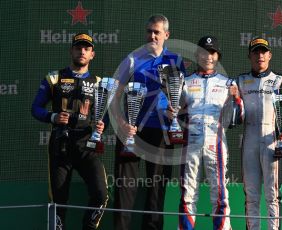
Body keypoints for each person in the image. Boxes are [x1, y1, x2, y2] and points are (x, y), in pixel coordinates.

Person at [110, 14, 186, 230]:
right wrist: (122, 122)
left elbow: (183, 97)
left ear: (166, 35)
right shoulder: (132, 59)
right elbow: (114, 95)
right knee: (125, 188)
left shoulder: (176, 61)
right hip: (131, 131)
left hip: (162, 132)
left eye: (157, 32)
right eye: (149, 31)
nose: (152, 36)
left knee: (156, 191)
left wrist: (176, 112)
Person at [31, 33, 108, 230]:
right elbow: (36, 108)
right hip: (60, 145)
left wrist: (102, 125)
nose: (82, 51)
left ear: (93, 54)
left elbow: (104, 115)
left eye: (86, 48)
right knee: (58, 201)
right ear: (71, 51)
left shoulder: (99, 82)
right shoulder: (54, 78)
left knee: (101, 193)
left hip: (87, 145)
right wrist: (53, 117)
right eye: (78, 47)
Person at [235, 37, 282, 230]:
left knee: (272, 194)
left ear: (270, 55)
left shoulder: (281, 81)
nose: (260, 56)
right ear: (249, 55)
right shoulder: (240, 81)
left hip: (271, 143)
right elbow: (231, 111)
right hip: (249, 142)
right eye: (256, 52)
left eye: (263, 52)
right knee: (251, 195)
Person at [177, 36, 244, 230]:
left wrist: (236, 99)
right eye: (204, 52)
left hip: (216, 145)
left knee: (220, 194)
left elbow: (237, 119)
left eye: (212, 52)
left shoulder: (227, 83)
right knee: (188, 193)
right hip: (190, 143)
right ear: (197, 55)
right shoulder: (185, 82)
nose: (208, 56)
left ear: (218, 56)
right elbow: (174, 113)